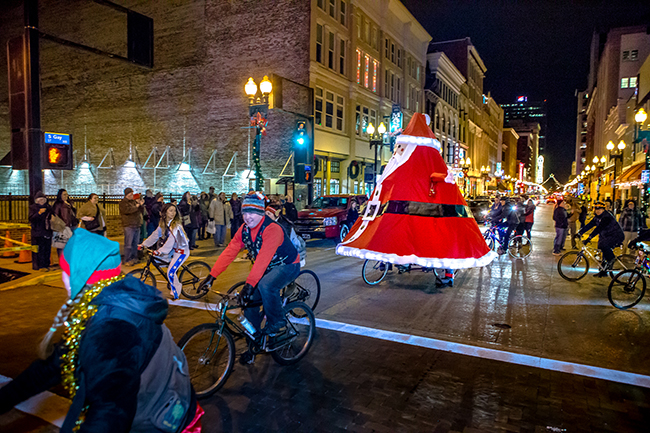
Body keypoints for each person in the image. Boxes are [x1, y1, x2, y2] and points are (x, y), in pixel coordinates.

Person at [0, 229, 202, 432]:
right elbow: (58, 362)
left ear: (77, 277)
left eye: (65, 270)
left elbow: (110, 413)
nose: (62, 277)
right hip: (165, 406)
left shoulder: (111, 329)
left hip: (156, 422)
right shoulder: (112, 298)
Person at [201, 192, 300, 364]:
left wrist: (249, 284)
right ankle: (253, 345)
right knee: (249, 305)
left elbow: (262, 259)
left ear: (261, 212)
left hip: (287, 265)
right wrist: (212, 275)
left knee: (266, 285)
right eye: (245, 212)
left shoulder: (272, 229)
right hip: (267, 267)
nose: (247, 217)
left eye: (252, 212)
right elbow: (230, 251)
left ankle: (277, 322)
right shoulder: (245, 229)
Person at [140, 203, 190, 300]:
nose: (173, 213)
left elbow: (170, 242)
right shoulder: (164, 223)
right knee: (158, 261)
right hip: (173, 250)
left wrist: (160, 251)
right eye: (170, 211)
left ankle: (176, 291)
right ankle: (172, 280)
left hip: (181, 251)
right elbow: (155, 235)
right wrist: (144, 244)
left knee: (170, 272)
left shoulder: (175, 225)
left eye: (174, 211)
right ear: (165, 212)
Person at [576, 201, 625, 277]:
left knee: (604, 245)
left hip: (616, 236)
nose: (598, 211)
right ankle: (604, 271)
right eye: (596, 209)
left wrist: (589, 237)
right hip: (606, 236)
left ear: (603, 210)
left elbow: (599, 228)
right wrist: (580, 233)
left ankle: (611, 259)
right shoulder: (597, 217)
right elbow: (589, 225)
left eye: (600, 209)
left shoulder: (606, 217)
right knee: (603, 251)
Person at [119, 187, 144, 266]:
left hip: (136, 224)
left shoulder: (133, 202)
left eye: (132, 194)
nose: (131, 195)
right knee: (128, 244)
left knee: (135, 243)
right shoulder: (123, 203)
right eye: (130, 194)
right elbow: (127, 211)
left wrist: (141, 205)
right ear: (126, 194)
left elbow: (140, 211)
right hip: (129, 225)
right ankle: (127, 259)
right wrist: (137, 206)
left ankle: (134, 258)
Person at [51, 189, 78, 261]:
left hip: (72, 226)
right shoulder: (58, 204)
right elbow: (55, 216)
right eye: (64, 194)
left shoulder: (70, 203)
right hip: (63, 227)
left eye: (66, 194)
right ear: (60, 195)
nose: (66, 196)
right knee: (61, 244)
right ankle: (61, 261)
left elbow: (73, 214)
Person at [28, 191, 52, 272]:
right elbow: (31, 219)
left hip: (47, 231)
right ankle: (40, 265)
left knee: (47, 249)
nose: (42, 201)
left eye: (43, 199)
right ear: (36, 200)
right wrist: (39, 213)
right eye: (40, 200)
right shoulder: (33, 208)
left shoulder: (48, 207)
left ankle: (46, 264)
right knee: (40, 249)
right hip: (38, 232)